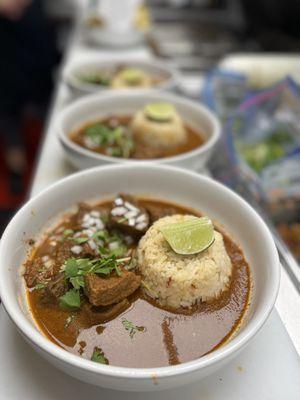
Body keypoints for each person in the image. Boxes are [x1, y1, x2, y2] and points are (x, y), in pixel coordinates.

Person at [0, 0, 58, 192]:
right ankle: (17, 170)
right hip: (7, 43)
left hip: (34, 26)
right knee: (8, 111)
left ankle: (51, 155)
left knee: (49, 104)